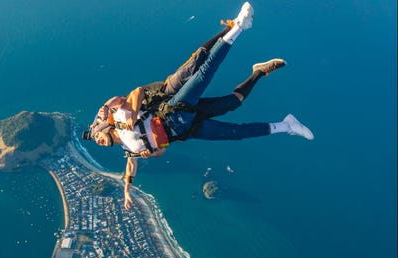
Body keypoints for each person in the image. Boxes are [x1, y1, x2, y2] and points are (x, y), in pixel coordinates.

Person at [82, 2, 314, 210]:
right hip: (186, 129)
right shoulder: (130, 151)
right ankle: (281, 114)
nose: (100, 143)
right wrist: (132, 183)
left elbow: (135, 93)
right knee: (234, 118)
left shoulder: (121, 122)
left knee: (203, 71)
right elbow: (150, 156)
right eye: (99, 144)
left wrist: (130, 114)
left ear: (103, 128)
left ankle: (239, 26)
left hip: (174, 110)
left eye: (98, 138)